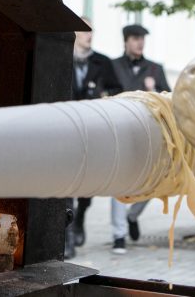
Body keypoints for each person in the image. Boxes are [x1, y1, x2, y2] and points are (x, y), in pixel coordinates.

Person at [109, 23, 170, 253]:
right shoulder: (112, 66)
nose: (140, 42)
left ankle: (132, 216)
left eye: (142, 38)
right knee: (118, 184)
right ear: (126, 41)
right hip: (120, 134)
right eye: (135, 38)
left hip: (149, 137)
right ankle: (119, 235)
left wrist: (154, 92)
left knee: (154, 182)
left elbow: (169, 100)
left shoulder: (155, 69)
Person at [65, 18, 121, 259]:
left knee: (87, 183)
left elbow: (118, 91)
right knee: (66, 182)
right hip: (65, 131)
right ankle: (67, 235)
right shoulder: (60, 58)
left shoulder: (102, 62)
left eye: (91, 31)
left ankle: (80, 217)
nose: (89, 35)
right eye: (83, 30)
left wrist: (105, 98)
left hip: (92, 131)